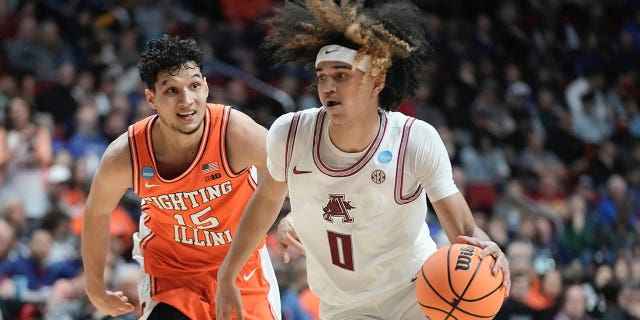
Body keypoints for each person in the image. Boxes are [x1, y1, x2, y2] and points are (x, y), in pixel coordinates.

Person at [215, 1, 511, 319]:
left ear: (377, 79)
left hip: (416, 292)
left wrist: (487, 249)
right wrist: (227, 273)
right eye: (322, 76)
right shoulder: (290, 133)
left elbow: (464, 229)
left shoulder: (414, 139)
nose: (328, 86)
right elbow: (267, 199)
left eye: (342, 75)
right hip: (342, 305)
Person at [81, 35, 281, 320]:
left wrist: (293, 217)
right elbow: (97, 212)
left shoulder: (236, 133)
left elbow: (288, 174)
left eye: (194, 86)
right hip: (171, 274)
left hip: (240, 267)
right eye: (172, 91)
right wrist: (95, 290)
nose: (187, 100)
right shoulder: (125, 155)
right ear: (152, 99)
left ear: (206, 87)